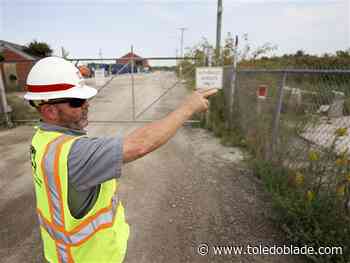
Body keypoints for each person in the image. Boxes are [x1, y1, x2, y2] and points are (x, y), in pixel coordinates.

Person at [24, 56, 217, 263]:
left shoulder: (43, 138)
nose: (86, 105)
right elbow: (140, 144)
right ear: (50, 111)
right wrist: (187, 108)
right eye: (77, 101)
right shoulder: (74, 153)